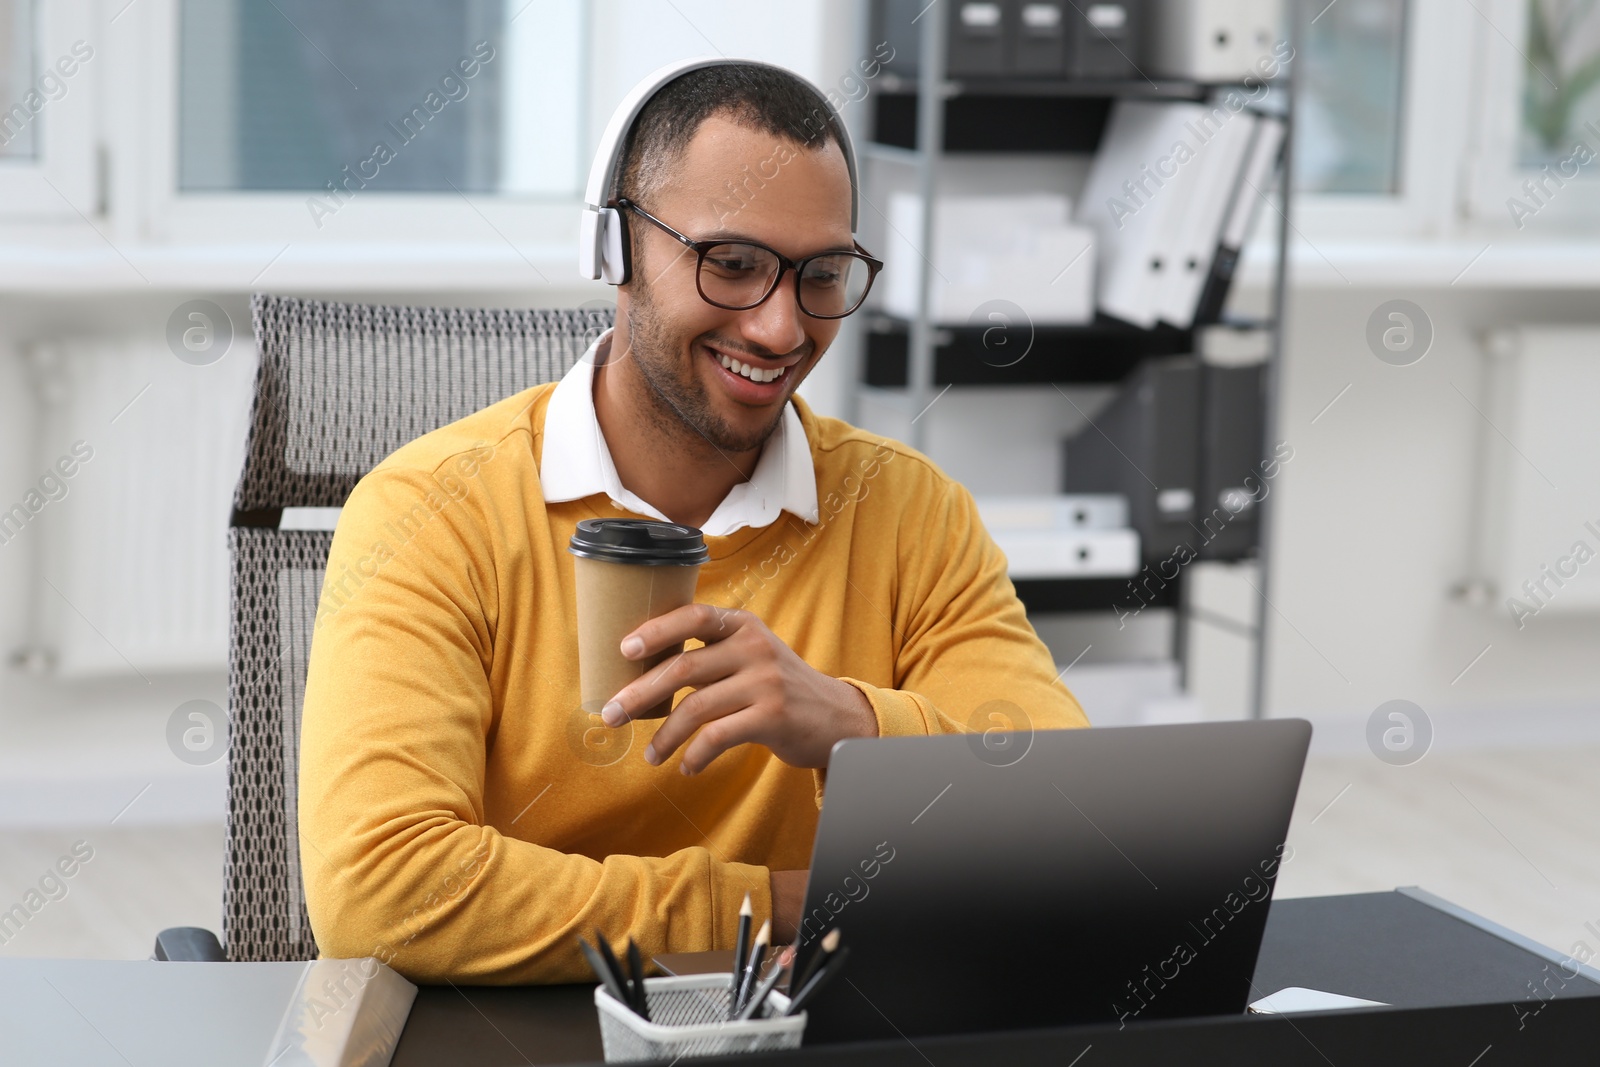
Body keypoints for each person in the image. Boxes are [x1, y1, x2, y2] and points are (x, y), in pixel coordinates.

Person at [298, 60, 1088, 984]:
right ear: (616, 251)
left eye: (822, 275)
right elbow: (383, 890)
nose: (782, 329)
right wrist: (776, 903)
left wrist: (852, 725)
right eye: (735, 264)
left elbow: (1062, 820)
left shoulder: (910, 512)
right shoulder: (433, 511)